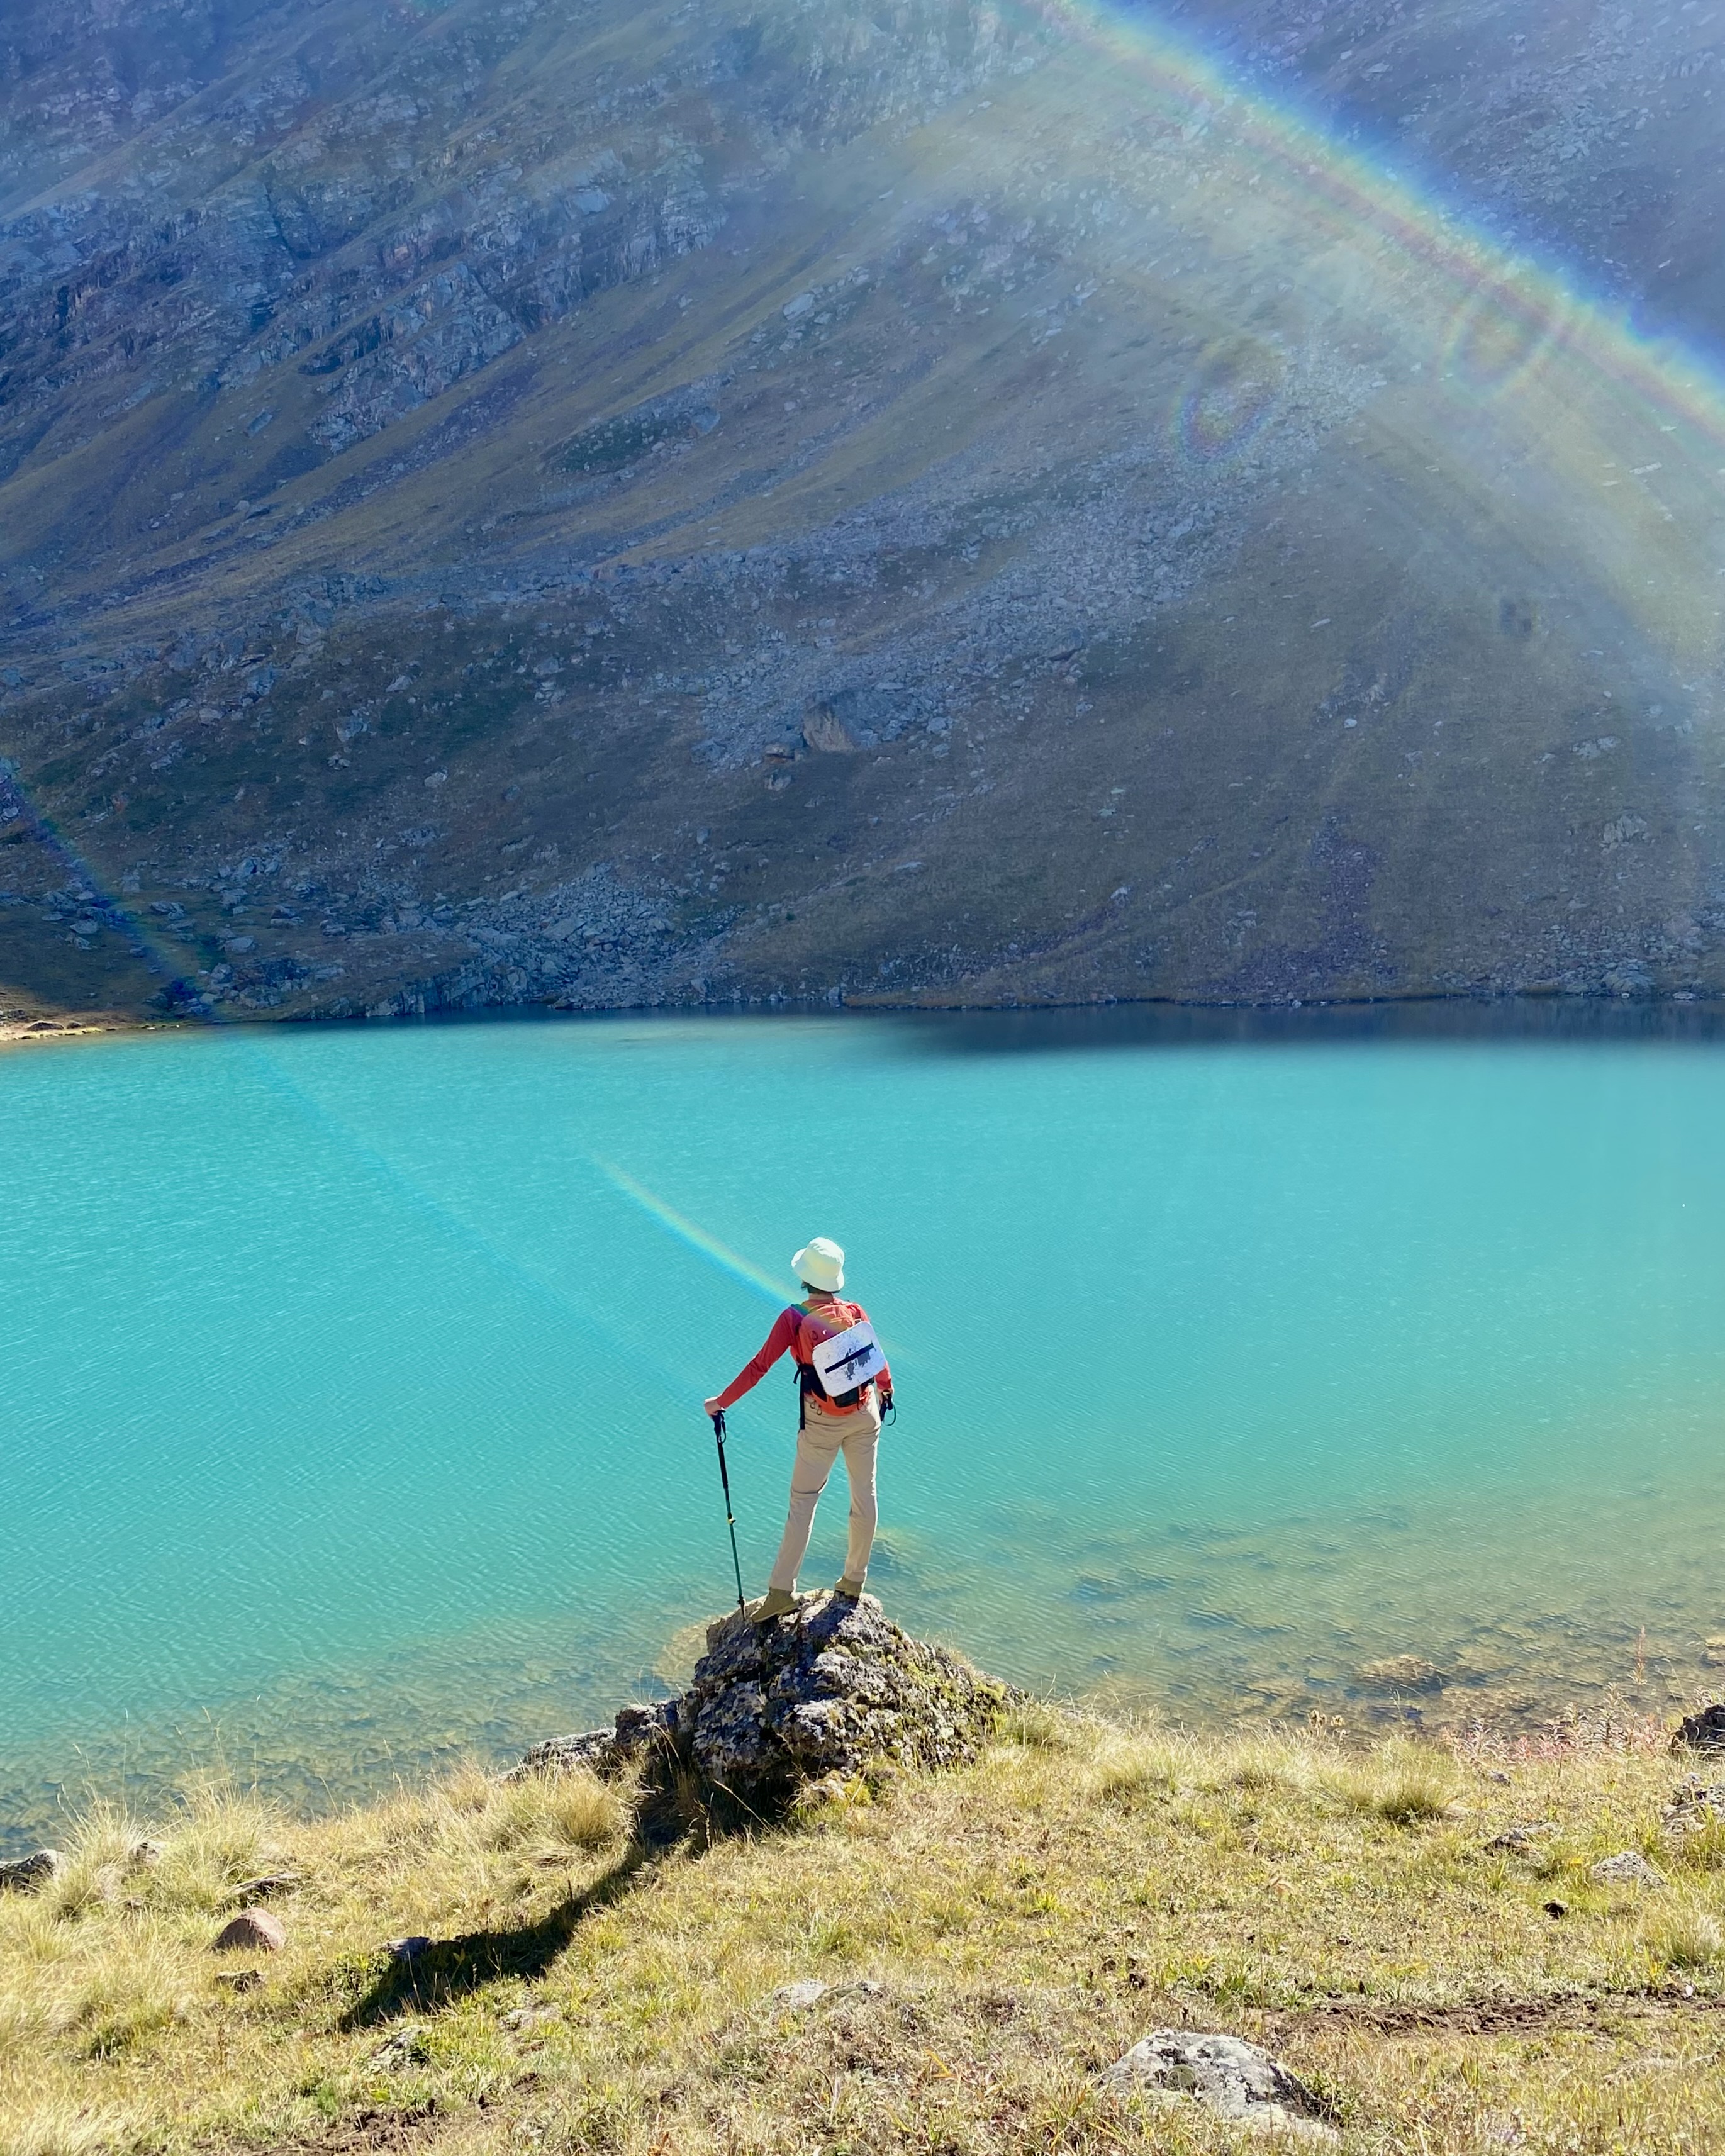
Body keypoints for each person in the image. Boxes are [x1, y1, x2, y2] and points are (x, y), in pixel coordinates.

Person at [704, 1236, 894, 1619]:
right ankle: (854, 1579)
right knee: (865, 1495)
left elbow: (759, 1367)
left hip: (822, 1422)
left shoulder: (793, 1317)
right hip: (865, 1413)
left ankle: (781, 1592)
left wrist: (720, 1402)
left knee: (803, 1503)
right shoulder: (855, 1311)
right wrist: (886, 1391)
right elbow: (876, 1361)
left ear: (805, 1278)